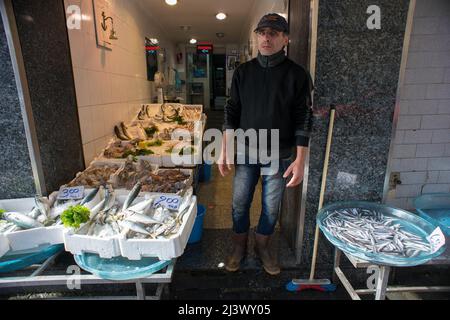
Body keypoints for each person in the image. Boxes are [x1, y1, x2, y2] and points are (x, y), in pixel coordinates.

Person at [218, 13, 314, 276]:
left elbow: (303, 118)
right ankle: (239, 245)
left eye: (273, 33)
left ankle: (263, 246)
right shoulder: (243, 72)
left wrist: (300, 160)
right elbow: (231, 111)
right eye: (262, 32)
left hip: (280, 154)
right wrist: (224, 150)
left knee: (272, 208)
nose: (266, 37)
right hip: (246, 152)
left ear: (285, 39)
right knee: (239, 203)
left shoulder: (297, 75)